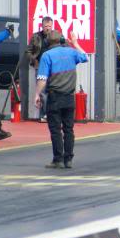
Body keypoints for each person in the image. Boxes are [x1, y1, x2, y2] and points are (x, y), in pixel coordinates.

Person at [34, 30, 88, 169]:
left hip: (55, 97)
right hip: (69, 97)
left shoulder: (47, 55)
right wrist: (75, 43)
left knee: (56, 129)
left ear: (47, 42)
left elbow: (42, 79)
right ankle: (68, 159)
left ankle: (58, 159)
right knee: (69, 129)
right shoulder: (71, 52)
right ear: (62, 40)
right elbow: (85, 56)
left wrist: (37, 94)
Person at [26, 16, 54, 121]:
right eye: (46, 26)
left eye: (49, 26)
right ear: (42, 26)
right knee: (42, 92)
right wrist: (34, 60)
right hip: (40, 67)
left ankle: (52, 114)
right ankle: (44, 115)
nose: (48, 28)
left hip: (53, 67)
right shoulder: (36, 36)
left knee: (53, 90)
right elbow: (28, 51)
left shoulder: (55, 36)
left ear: (52, 26)